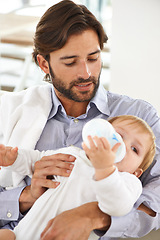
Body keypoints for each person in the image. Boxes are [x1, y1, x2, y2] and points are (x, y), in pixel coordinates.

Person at [0, 0, 160, 239]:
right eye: (70, 62)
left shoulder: (139, 118)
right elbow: (23, 162)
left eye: (93, 58)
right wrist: (26, 196)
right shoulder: (12, 112)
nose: (86, 73)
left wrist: (93, 215)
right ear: (44, 63)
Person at [0, 115, 156, 240]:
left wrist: (105, 169)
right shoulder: (73, 154)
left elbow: (118, 206)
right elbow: (36, 160)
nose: (122, 145)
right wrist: (12, 158)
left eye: (135, 149)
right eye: (118, 136)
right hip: (22, 232)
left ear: (136, 172)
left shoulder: (128, 181)